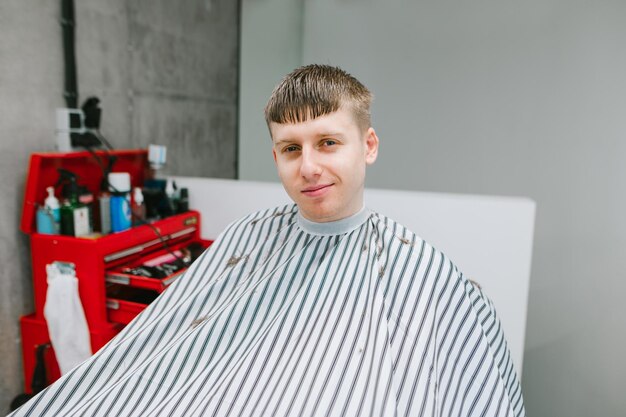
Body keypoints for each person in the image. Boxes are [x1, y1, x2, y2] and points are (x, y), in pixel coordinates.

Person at [10, 64, 525, 416]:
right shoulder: (246, 242)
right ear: (275, 154)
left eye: (328, 142)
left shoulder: (424, 274)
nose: (309, 167)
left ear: (367, 146)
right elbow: (154, 355)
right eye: (289, 149)